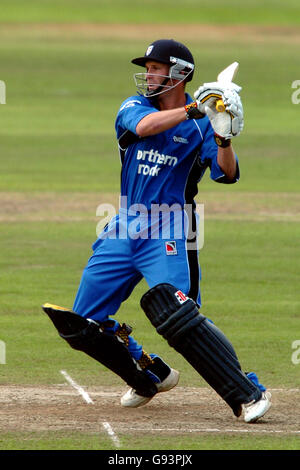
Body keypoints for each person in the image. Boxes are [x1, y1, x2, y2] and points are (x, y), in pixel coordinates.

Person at [43, 39, 271, 423]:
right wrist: (194, 107)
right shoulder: (133, 108)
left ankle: (248, 391)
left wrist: (224, 134)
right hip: (123, 226)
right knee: (82, 325)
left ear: (179, 73)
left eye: (155, 68)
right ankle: (149, 371)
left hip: (171, 228)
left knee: (179, 318)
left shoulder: (202, 127)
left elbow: (227, 173)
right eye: (147, 68)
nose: (148, 75)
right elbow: (146, 127)